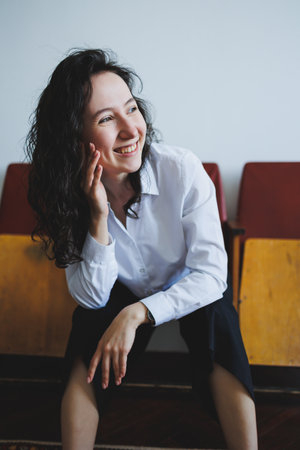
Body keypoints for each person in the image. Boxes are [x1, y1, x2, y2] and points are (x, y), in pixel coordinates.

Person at [26, 48, 258, 450]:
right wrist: (98, 215)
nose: (131, 129)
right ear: (76, 139)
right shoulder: (71, 196)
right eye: (106, 119)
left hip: (188, 287)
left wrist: (137, 314)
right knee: (88, 324)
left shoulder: (181, 170)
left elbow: (211, 277)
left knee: (218, 317)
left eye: (131, 109)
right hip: (121, 291)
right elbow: (91, 297)